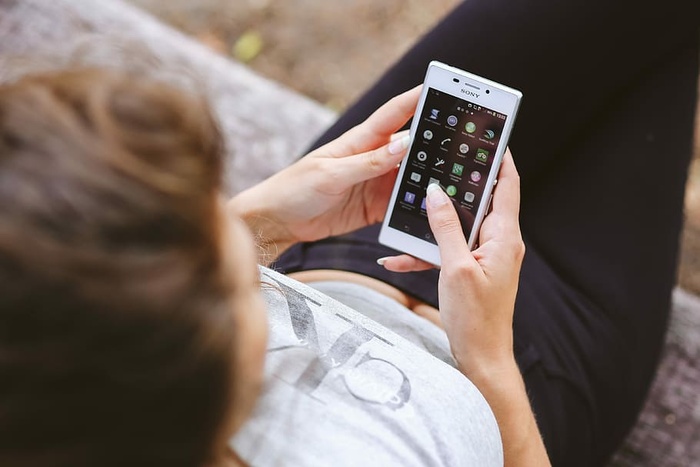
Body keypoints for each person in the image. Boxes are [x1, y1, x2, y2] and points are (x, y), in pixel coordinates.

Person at [0, 4, 697, 467]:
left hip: (344, 249)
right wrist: (490, 362)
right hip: (539, 371)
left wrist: (271, 221)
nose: (249, 260)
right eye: (233, 271)